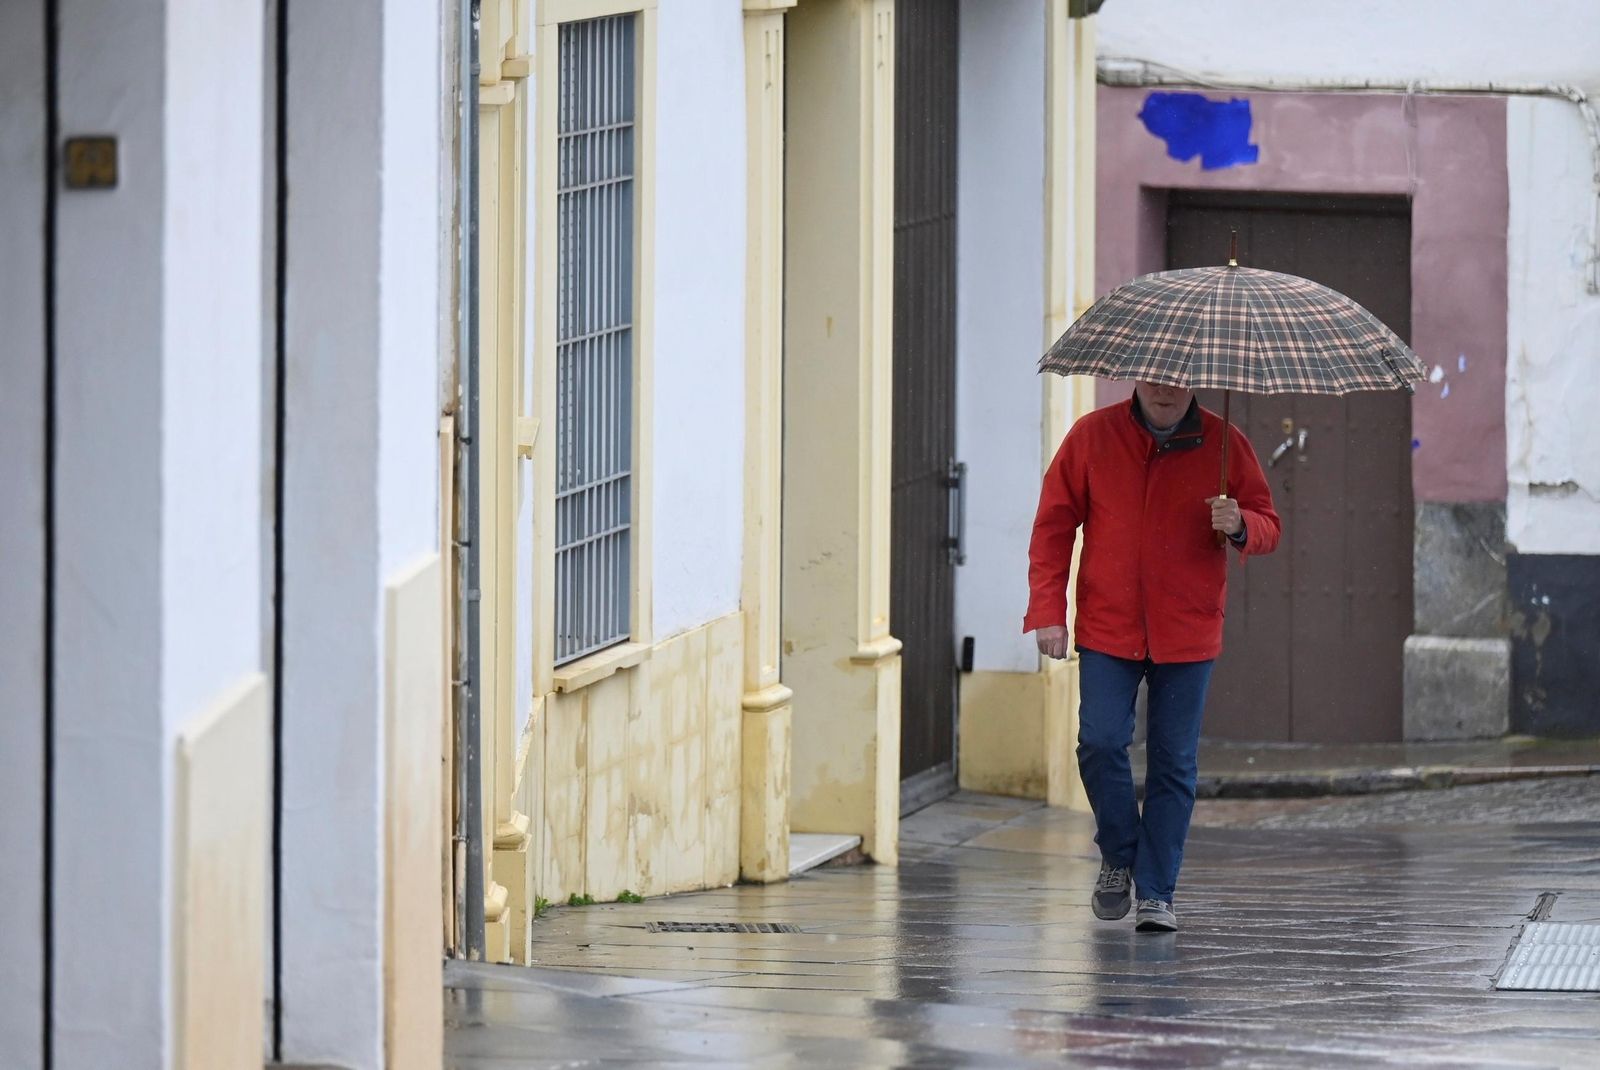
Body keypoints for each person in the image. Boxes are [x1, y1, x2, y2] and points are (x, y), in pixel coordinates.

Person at [1024, 381, 1280, 933]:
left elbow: (1268, 525)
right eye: (1155, 377)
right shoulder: (1093, 436)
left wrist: (1239, 524)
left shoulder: (1225, 442)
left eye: (1177, 378)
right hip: (1107, 626)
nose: (1165, 390)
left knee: (1173, 762)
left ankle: (1157, 892)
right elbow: (1053, 526)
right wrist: (1048, 610)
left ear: (1195, 381)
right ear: (1137, 376)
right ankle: (1119, 855)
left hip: (1186, 629)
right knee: (1099, 741)